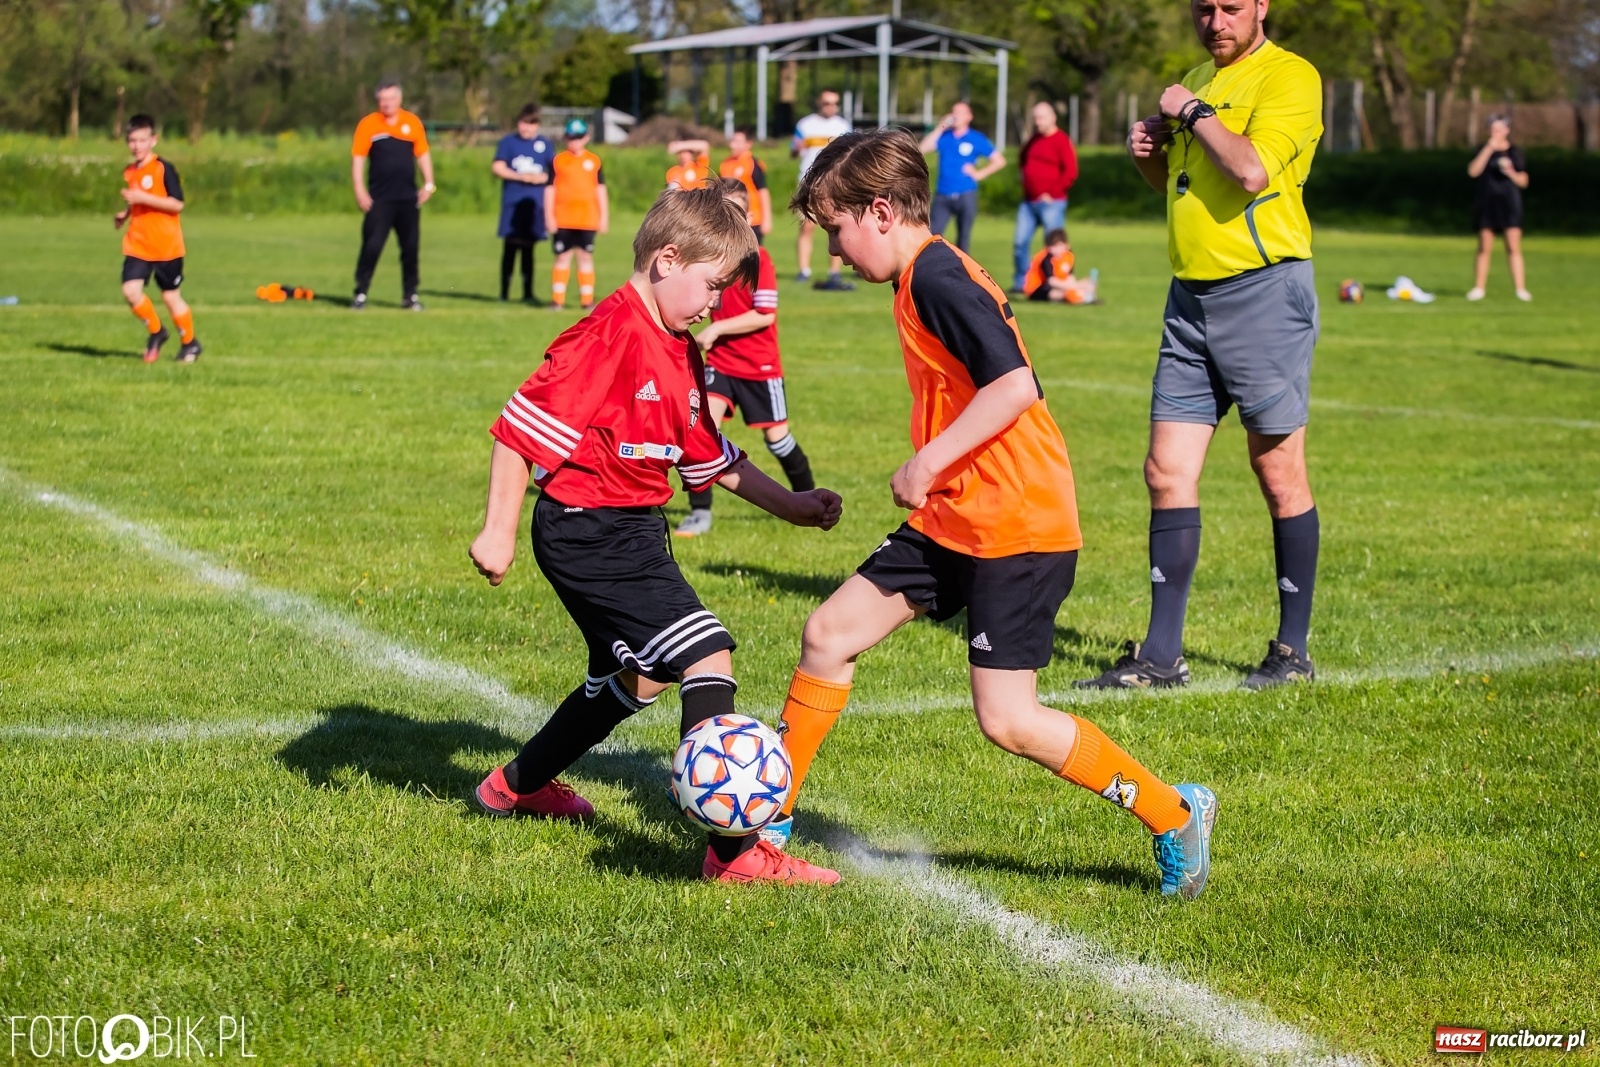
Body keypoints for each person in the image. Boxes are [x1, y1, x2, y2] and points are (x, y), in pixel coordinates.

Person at [769, 127, 1217, 900]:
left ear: (880, 211)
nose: (835, 252)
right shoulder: (918, 276)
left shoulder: (939, 276)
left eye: (835, 230)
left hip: (1018, 524)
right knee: (828, 633)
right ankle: (766, 823)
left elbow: (1015, 387)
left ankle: (1173, 812)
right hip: (957, 516)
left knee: (1007, 719)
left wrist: (928, 460)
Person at [468, 186, 843, 886]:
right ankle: (732, 854)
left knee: (637, 675)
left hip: (632, 530)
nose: (714, 305)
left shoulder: (676, 348)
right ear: (668, 260)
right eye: (710, 286)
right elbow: (518, 429)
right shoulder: (606, 333)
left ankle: (514, 784)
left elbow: (711, 456)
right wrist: (497, 531)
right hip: (589, 531)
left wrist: (791, 506)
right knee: (708, 653)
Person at [1077, 0, 1323, 692]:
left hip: (1265, 294)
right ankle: (1160, 655)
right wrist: (1149, 159)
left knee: (1278, 473)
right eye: (1204, 8)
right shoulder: (1196, 79)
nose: (1215, 20)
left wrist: (1193, 114)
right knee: (1165, 470)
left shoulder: (1290, 77)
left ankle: (1292, 651)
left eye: (1230, 8)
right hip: (1189, 299)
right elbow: (1183, 187)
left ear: (1261, 8)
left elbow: (1250, 172)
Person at [675, 179, 815, 538]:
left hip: (759, 365)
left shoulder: (758, 258)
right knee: (703, 432)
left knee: (778, 441)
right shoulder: (711, 258)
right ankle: (700, 514)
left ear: (749, 215)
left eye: (738, 210)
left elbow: (764, 314)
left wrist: (717, 330)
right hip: (720, 363)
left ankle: (810, 501)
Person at [115, 114, 201, 363]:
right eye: (132, 141)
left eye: (142, 140)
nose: (137, 146)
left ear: (153, 140)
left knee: (170, 297)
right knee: (131, 291)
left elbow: (177, 204)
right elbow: (137, 198)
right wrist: (126, 213)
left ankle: (190, 343)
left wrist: (143, 199)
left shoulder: (164, 168)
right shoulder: (130, 171)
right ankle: (157, 331)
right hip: (138, 244)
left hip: (166, 246)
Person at [350, 81, 434, 312]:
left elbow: (423, 154)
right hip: (380, 199)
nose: (386, 104)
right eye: (382, 100)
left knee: (410, 247)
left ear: (399, 99)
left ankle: (410, 295)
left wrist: (429, 184)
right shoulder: (369, 124)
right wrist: (359, 189)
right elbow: (358, 158)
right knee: (373, 245)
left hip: (408, 198)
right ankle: (361, 292)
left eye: (391, 99)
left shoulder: (412, 123)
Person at [917, 101, 1006, 253]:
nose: (955, 116)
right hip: (943, 194)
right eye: (953, 112)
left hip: (966, 193)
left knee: (963, 239)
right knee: (932, 234)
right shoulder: (945, 136)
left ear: (968, 117)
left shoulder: (975, 138)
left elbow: (999, 160)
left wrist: (979, 174)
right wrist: (940, 127)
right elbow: (921, 149)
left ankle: (962, 273)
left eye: (959, 113)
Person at [491, 103, 555, 304]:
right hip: (513, 202)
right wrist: (521, 177)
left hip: (535, 205)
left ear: (537, 125)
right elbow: (498, 167)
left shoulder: (544, 144)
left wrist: (542, 178)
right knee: (510, 247)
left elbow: (554, 172)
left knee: (529, 248)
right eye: (523, 123)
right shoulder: (508, 142)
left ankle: (528, 292)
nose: (526, 128)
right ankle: (504, 292)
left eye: (530, 124)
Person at [1012, 101, 1078, 293]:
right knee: (1020, 242)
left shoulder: (1061, 140)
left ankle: (1058, 282)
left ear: (1052, 118)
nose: (1037, 122)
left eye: (1041, 117)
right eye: (1035, 118)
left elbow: (1071, 172)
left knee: (1055, 246)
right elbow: (1022, 161)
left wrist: (1053, 191)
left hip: (1052, 202)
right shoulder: (1032, 140)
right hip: (1029, 202)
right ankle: (1022, 283)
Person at [791, 90, 854, 289]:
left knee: (837, 226)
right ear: (819, 103)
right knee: (807, 227)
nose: (831, 107)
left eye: (834, 103)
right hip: (809, 181)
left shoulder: (842, 126)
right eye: (827, 103)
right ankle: (803, 269)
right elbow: (793, 151)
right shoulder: (805, 124)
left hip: (835, 181)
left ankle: (834, 271)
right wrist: (796, 148)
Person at [1466, 115, 1531, 302]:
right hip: (1487, 202)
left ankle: (1520, 289)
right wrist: (1489, 149)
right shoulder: (1482, 149)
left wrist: (1511, 172)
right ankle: (1479, 288)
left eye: (1499, 129)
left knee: (1513, 246)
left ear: (1507, 130)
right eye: (1492, 129)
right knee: (1484, 246)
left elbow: (1524, 181)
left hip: (1509, 203)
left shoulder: (1515, 152)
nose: (1495, 133)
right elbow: (1473, 171)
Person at [545, 118, 608, 311]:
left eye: (579, 138)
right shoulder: (558, 161)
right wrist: (549, 216)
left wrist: (604, 216)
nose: (575, 142)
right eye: (571, 138)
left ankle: (587, 299)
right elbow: (549, 189)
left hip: (587, 218)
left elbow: (600, 189)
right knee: (562, 257)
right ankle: (557, 300)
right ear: (566, 138)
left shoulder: (594, 161)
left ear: (586, 138)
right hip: (563, 217)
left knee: (585, 257)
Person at [719, 128, 772, 244]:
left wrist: (767, 219)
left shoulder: (753, 164)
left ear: (748, 144)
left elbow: (763, 191)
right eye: (732, 141)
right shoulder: (725, 164)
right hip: (730, 218)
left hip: (752, 218)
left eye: (737, 142)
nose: (732, 145)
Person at [1023, 228, 1095, 304]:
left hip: (1058, 284)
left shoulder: (1068, 256)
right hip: (1037, 289)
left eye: (1060, 247)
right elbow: (1051, 281)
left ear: (1066, 246)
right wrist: (1075, 286)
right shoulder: (1045, 259)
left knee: (1089, 283)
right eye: (1054, 247)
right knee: (1056, 293)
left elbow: (1070, 276)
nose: (1057, 250)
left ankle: (1081, 296)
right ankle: (1081, 297)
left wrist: (1076, 285)